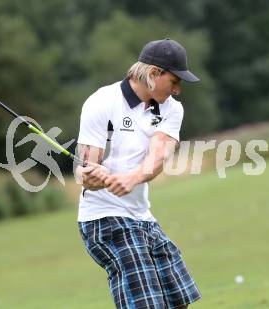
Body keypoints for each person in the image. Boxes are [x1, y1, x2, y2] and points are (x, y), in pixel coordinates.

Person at [76, 38, 201, 309]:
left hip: (141, 216)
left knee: (179, 300)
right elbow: (85, 172)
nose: (178, 90)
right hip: (103, 219)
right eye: (175, 81)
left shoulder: (171, 109)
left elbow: (158, 157)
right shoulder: (101, 102)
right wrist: (92, 176)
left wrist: (131, 178)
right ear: (154, 73)